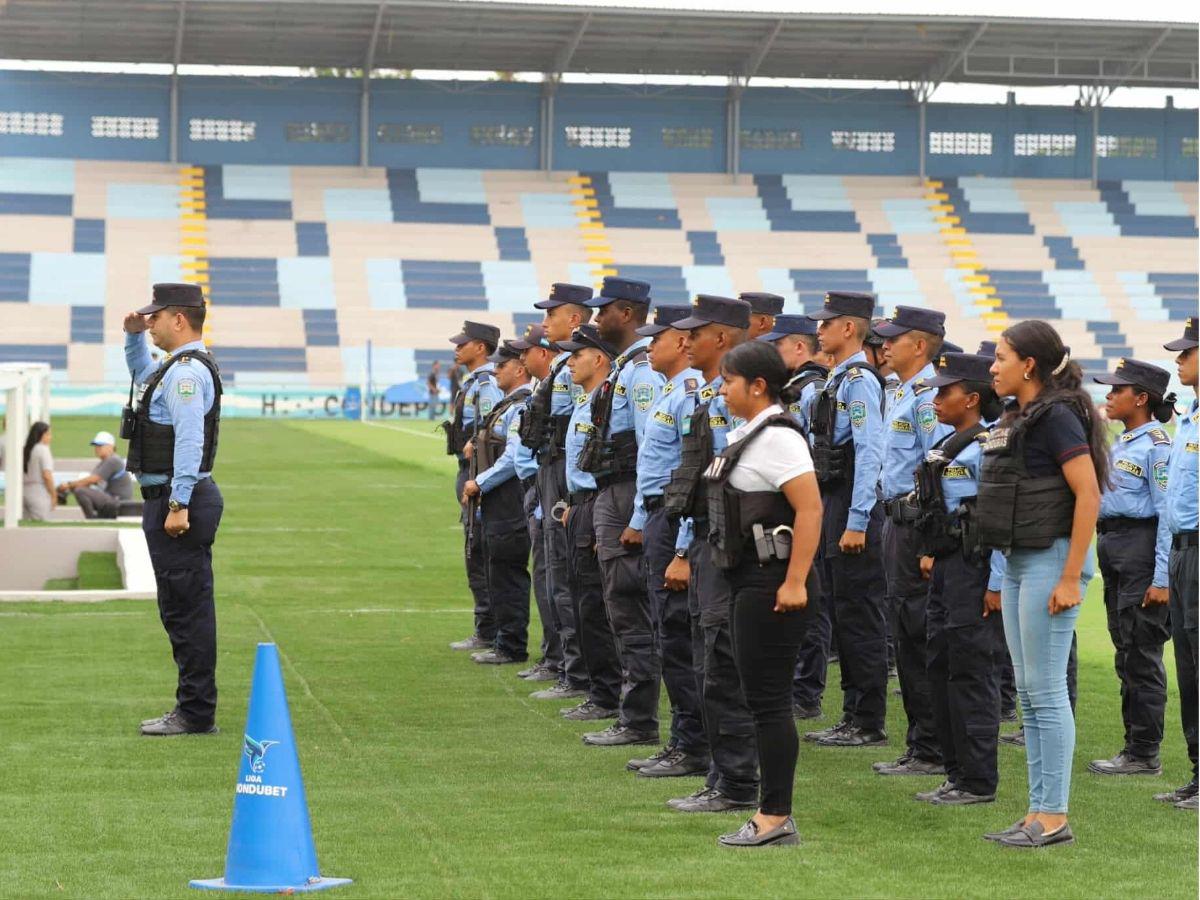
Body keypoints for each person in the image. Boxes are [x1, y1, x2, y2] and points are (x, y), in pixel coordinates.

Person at [978, 320, 1104, 848]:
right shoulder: (1023, 416)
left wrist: (1071, 576)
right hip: (1020, 561)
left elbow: (1089, 493)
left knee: (1046, 693)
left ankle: (1053, 816)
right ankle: (1036, 810)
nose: (993, 367)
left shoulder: (1056, 417)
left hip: (1051, 561)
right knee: (1029, 693)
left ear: (1028, 365)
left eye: (1001, 357)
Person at [704, 341, 822, 849]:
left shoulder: (777, 438)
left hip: (771, 583)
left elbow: (810, 509)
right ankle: (771, 812)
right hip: (749, 578)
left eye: (729, 381)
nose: (721, 390)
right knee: (760, 700)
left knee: (769, 702)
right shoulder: (752, 434)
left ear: (757, 386)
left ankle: (775, 816)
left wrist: (794, 581)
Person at [662, 294, 759, 813]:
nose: (685, 341)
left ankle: (737, 783)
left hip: (727, 548)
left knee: (722, 664)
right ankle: (722, 776)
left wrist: (685, 548)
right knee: (707, 661)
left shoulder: (736, 405)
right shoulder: (710, 396)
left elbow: (727, 488)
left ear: (721, 338)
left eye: (695, 334)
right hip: (705, 542)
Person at [124, 283, 224, 737]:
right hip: (169, 498)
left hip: (177, 501)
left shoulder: (186, 374)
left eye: (156, 317)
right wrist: (132, 337)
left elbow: (189, 439)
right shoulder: (176, 367)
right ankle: (193, 707)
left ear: (178, 319)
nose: (150, 323)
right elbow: (143, 374)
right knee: (180, 607)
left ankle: (196, 712)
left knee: (186, 610)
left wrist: (179, 503)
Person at [913, 352, 1007, 806]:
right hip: (948, 566)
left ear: (971, 399)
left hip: (976, 569)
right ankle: (955, 773)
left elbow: (999, 520)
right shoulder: (950, 443)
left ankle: (977, 780)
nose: (935, 400)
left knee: (971, 671)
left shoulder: (988, 448)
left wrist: (997, 584)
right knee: (941, 666)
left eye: (944, 392)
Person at [578, 277, 665, 748]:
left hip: (629, 492)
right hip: (613, 491)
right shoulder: (625, 369)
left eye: (604, 310)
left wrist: (637, 517)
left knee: (629, 608)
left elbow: (652, 446)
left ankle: (639, 720)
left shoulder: (641, 373)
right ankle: (633, 714)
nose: (595, 318)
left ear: (627, 313)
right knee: (617, 604)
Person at [626, 305, 710, 777]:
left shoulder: (690, 395)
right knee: (668, 633)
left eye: (656, 339)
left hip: (677, 520)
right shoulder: (670, 391)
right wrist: (642, 518)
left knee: (679, 637)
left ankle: (693, 745)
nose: (648, 347)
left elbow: (693, 475)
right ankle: (683, 739)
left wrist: (682, 548)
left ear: (680, 342)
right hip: (661, 516)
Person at [804, 291, 889, 749]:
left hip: (850, 502)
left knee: (859, 616)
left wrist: (857, 520)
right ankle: (853, 714)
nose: (819, 330)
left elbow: (868, 450)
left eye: (827, 323)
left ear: (850, 328)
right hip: (832, 499)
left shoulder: (859, 381)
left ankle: (867, 720)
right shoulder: (837, 379)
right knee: (842, 611)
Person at [873, 306, 952, 776]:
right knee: (903, 633)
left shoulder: (927, 399)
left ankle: (931, 747)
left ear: (920, 345)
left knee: (919, 634)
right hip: (895, 523)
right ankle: (920, 742)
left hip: (916, 527)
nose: (884, 345)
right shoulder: (901, 392)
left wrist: (928, 544)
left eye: (894, 338)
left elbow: (939, 472)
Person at [1087, 359, 1174, 777]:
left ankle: (1143, 753)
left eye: (1117, 389)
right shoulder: (1124, 441)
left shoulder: (1156, 446)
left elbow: (1166, 514)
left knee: (1141, 653)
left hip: (1140, 547)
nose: (1108, 395)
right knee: (1126, 650)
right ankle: (1134, 747)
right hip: (1114, 545)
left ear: (1140, 398)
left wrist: (1161, 578)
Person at [525, 284, 597, 704]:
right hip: (552, 466)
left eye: (551, 315)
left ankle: (576, 671)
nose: (544, 322)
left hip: (564, 470)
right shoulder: (562, 366)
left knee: (564, 576)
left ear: (573, 319)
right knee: (554, 573)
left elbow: (574, 429)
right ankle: (565, 663)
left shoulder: (574, 367)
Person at [761, 315, 832, 718]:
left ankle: (807, 692)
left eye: (779, 345)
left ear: (800, 347)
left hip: (806, 502)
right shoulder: (796, 387)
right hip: (789, 503)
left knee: (809, 597)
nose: (773, 352)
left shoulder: (810, 389)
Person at [557, 324, 623, 723]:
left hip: (599, 504)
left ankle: (607, 695)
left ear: (599, 358)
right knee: (583, 601)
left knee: (597, 606)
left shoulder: (610, 400)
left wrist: (599, 515)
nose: (569, 362)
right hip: (580, 505)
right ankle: (598, 690)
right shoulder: (588, 400)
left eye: (577, 355)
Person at [462, 342, 535, 665]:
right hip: (499, 500)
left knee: (507, 573)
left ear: (519, 370)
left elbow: (513, 458)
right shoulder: (509, 404)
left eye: (501, 366)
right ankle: (503, 640)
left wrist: (480, 482)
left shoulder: (520, 406)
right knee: (497, 570)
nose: (495, 371)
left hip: (509, 500)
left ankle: (511, 644)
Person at [443, 321, 504, 652]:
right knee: (474, 548)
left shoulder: (486, 385)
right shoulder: (473, 383)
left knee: (479, 549)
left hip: (477, 472)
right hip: (468, 469)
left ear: (480, 347)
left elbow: (493, 432)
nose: (457, 348)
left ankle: (489, 629)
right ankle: (487, 627)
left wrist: (478, 478)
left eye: (463, 343)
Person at [511, 324, 565, 683]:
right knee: (546, 578)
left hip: (549, 485)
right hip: (539, 485)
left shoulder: (560, 385)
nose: (521, 357)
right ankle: (554, 657)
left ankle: (562, 662)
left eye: (525, 350)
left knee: (555, 580)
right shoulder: (544, 386)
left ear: (543, 353)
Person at [1160, 316, 1199, 810]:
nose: (1179, 360)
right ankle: (1197, 772)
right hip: (1181, 551)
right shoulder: (1189, 416)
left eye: (1188, 352)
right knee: (1188, 667)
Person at [57, 431, 134, 519]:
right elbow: (90, 482)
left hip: (117, 502)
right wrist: (70, 488)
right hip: (113, 501)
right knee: (79, 488)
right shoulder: (106, 462)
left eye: (100, 446)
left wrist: (68, 485)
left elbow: (93, 479)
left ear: (111, 447)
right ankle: (96, 517)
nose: (97, 449)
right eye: (96, 446)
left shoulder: (113, 460)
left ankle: (92, 519)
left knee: (80, 491)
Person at [21, 421, 55, 521]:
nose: (50, 437)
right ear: (41, 435)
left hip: (22, 491)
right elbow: (47, 475)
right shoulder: (43, 450)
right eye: (48, 434)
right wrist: (53, 494)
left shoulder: (25, 450)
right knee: (41, 525)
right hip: (38, 492)